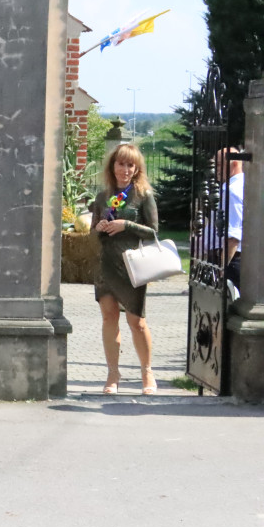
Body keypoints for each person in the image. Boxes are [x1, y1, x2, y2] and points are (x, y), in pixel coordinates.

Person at [91, 143, 159, 395]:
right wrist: (98, 229)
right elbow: (93, 233)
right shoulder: (102, 196)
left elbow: (154, 232)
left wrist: (126, 225)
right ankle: (113, 374)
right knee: (109, 318)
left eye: (131, 165)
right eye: (121, 163)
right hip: (105, 266)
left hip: (132, 267)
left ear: (137, 168)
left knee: (136, 321)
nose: (125, 169)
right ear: (112, 166)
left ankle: (147, 372)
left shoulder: (144, 196)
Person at [216, 147, 244, 288]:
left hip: (234, 259)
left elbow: (233, 234)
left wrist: (222, 267)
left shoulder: (231, 191)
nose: (216, 169)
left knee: (229, 306)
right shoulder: (245, 184)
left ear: (234, 164)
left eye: (219, 164)